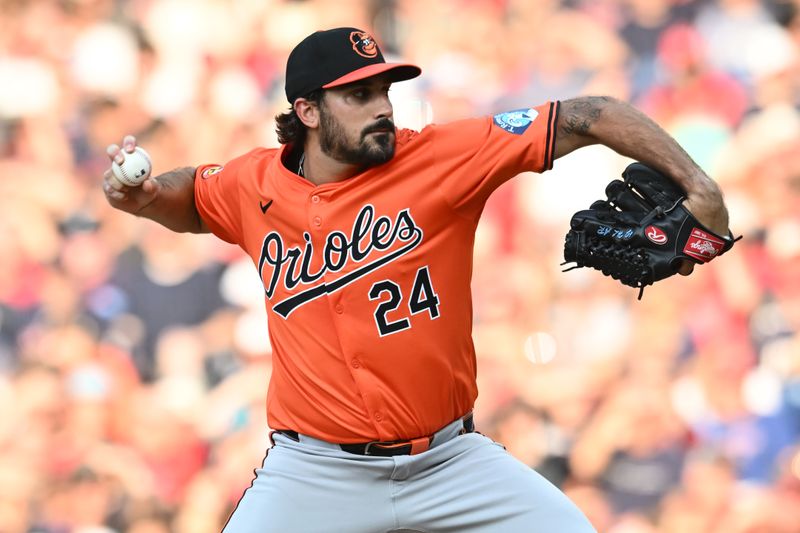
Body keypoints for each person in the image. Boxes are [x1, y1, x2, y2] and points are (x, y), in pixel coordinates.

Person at [103, 27, 730, 533]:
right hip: (315, 471)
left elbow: (594, 113)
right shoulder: (255, 182)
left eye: (384, 90)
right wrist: (150, 196)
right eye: (359, 95)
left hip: (451, 461)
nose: (381, 107)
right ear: (308, 111)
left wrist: (700, 187)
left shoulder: (441, 156)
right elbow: (197, 196)